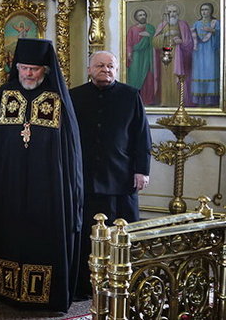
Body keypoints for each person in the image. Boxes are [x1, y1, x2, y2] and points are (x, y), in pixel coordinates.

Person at [0, 38, 83, 313]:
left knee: (42, 237)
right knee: (10, 233)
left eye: (34, 69)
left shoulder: (57, 98)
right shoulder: (5, 95)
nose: (27, 74)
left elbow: (68, 151)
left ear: (45, 70)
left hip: (48, 186)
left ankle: (45, 294)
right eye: (23, 68)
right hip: (9, 182)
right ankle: (5, 288)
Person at [70, 51, 151, 299]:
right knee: (86, 234)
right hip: (85, 178)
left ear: (117, 69)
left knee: (122, 234)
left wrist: (142, 170)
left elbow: (142, 136)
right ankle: (84, 286)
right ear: (89, 69)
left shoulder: (130, 95)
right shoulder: (75, 96)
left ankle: (126, 285)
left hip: (121, 177)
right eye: (100, 65)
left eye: (111, 66)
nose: (106, 69)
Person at [153, 4, 194, 106]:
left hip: (180, 55)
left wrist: (181, 41)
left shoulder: (183, 25)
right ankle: (166, 101)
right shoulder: (162, 25)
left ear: (178, 13)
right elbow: (154, 42)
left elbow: (189, 43)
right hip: (166, 54)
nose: (172, 14)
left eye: (174, 11)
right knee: (166, 78)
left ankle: (179, 102)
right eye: (170, 12)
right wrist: (164, 35)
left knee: (178, 77)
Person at [126, 9, 157, 105]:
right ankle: (135, 100)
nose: (142, 16)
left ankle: (148, 100)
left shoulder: (150, 28)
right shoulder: (132, 29)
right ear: (136, 17)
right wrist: (129, 53)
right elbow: (129, 43)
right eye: (140, 15)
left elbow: (156, 41)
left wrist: (150, 35)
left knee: (148, 78)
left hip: (148, 56)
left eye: (144, 15)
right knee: (135, 76)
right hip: (136, 56)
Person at [191, 2, 220, 106]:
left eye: (206, 9)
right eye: (202, 9)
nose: (204, 11)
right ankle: (200, 100)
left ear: (211, 11)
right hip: (198, 53)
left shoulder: (215, 23)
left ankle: (211, 100)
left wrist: (213, 31)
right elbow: (192, 39)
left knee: (210, 72)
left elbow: (221, 38)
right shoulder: (196, 24)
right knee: (200, 73)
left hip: (211, 52)